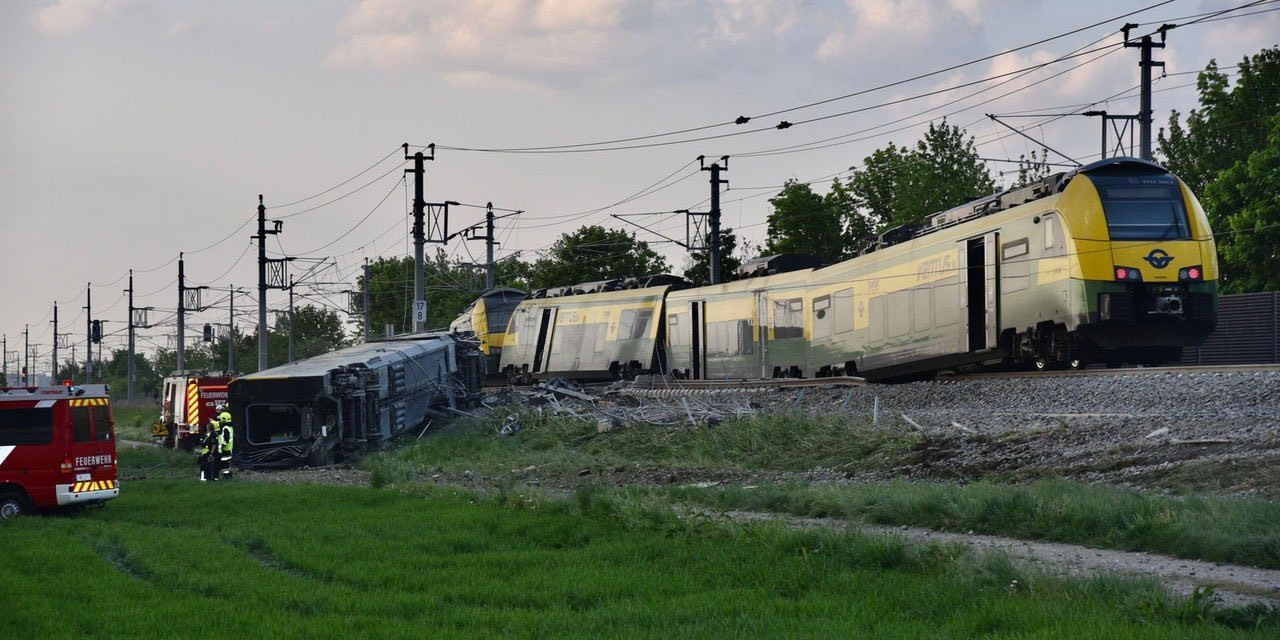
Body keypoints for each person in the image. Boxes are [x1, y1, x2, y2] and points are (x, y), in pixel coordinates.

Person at [198, 416, 220, 482]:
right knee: (208, 465)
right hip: (210, 452)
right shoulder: (211, 434)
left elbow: (214, 444)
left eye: (208, 426)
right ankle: (208, 478)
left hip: (210, 452)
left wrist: (211, 453)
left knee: (206, 465)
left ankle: (206, 478)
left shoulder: (213, 434)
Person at [216, 404, 234, 479]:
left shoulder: (225, 428)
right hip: (229, 448)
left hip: (226, 449)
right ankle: (228, 475)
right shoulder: (230, 427)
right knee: (227, 463)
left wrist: (220, 446)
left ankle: (226, 476)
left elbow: (226, 440)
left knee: (224, 463)